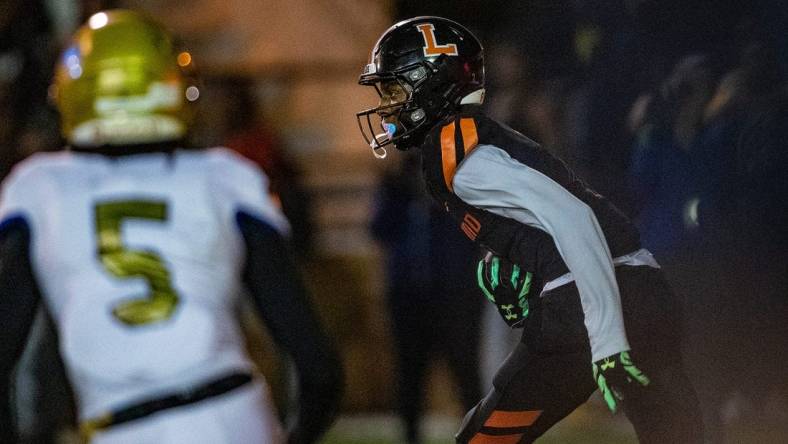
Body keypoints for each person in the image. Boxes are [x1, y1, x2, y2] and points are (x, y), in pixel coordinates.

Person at [0, 10, 342, 444]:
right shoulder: (225, 179)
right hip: (235, 416)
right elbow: (317, 365)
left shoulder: (40, 188)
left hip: (123, 428)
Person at [356, 16, 703, 443]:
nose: (387, 106)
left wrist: (607, 340)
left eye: (393, 90)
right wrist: (506, 257)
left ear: (430, 85)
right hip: (645, 290)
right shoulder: (480, 144)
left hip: (588, 308)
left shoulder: (465, 158)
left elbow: (576, 218)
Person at [370, 151, 482, 444]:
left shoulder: (459, 177)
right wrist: (397, 189)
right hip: (409, 294)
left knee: (465, 373)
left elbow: (475, 231)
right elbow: (379, 229)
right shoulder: (397, 182)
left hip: (454, 292)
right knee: (410, 377)